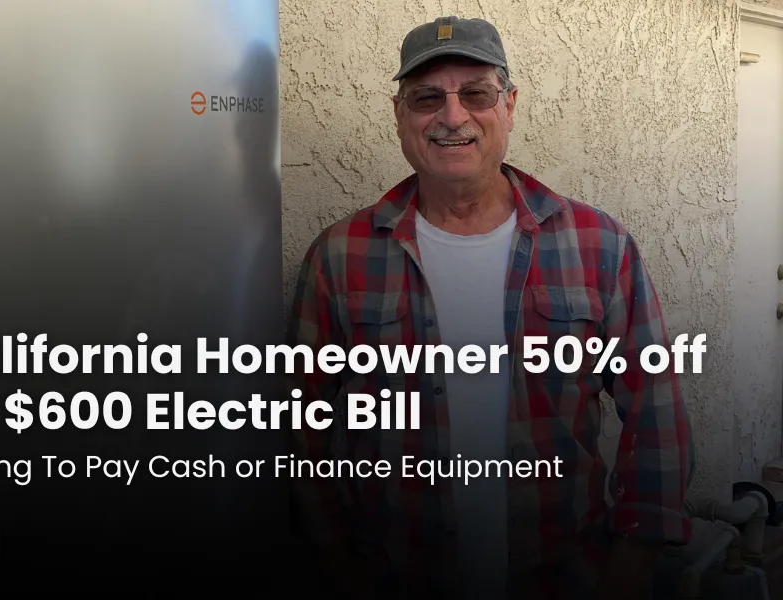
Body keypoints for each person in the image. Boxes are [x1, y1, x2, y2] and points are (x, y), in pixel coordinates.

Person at [286, 15, 695, 600]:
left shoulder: (599, 245)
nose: (452, 117)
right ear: (400, 116)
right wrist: (335, 560)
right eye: (427, 98)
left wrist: (631, 565)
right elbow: (304, 428)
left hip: (563, 577)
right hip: (397, 574)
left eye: (475, 93)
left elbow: (656, 414)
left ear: (508, 105)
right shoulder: (339, 254)